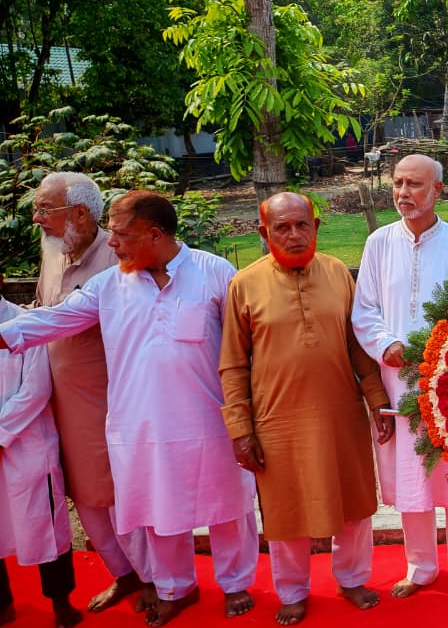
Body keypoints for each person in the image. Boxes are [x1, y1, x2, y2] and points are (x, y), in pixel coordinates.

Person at [0, 191, 259, 627]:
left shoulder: (215, 273)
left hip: (210, 421)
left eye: (120, 235)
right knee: (158, 513)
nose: (112, 243)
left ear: (154, 235)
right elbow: (55, 319)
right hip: (139, 424)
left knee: (230, 507)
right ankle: (176, 588)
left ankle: (235, 583)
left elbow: (246, 344)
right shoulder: (108, 286)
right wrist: (6, 334)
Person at [220, 193, 395, 625]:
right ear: (264, 233)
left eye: (303, 225)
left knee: (354, 504)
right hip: (277, 420)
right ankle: (293, 591)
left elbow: (357, 345)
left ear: (315, 227)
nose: (295, 234)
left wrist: (377, 400)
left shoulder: (338, 273)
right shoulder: (244, 284)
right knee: (287, 512)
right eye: (282, 227)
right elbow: (233, 364)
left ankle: (351, 578)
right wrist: (240, 429)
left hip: (341, 414)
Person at [352, 155, 448, 598]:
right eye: (398, 183)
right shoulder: (378, 243)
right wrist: (386, 345)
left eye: (414, 184)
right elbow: (364, 310)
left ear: (438, 190)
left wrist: (445, 355)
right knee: (412, 475)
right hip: (396, 381)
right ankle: (421, 567)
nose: (403, 193)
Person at [31, 172, 151, 612]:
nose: (37, 218)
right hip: (56, 403)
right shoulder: (53, 250)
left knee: (122, 496)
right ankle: (125, 575)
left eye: (46, 208)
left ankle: (156, 579)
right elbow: (42, 311)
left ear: (80, 213)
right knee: (84, 497)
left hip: (109, 403)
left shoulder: (118, 258)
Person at [0, 281, 79, 628]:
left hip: (27, 444)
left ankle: (61, 604)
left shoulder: (25, 324)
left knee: (46, 526)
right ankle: (3, 604)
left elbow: (35, 390)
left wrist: (0, 436)